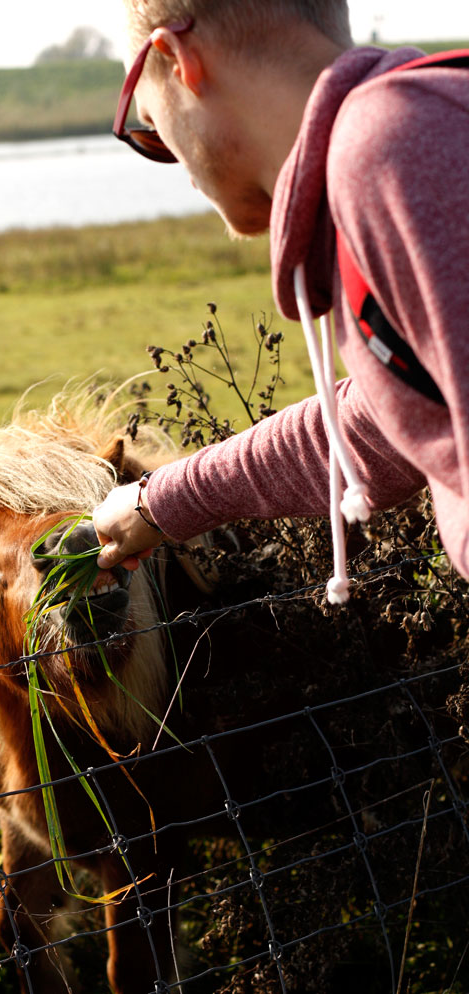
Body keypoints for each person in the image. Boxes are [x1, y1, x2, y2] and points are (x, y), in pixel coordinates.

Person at [92, 0, 469, 602]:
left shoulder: (393, 150)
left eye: (149, 123)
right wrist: (162, 502)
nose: (174, 160)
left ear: (177, 58)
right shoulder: (401, 143)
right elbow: (386, 421)